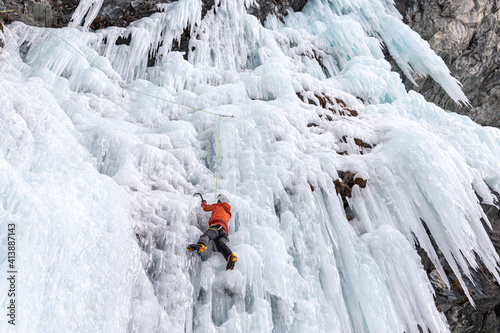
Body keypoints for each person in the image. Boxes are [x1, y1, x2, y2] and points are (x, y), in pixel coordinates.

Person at [187, 194, 237, 270]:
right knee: (221, 245)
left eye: (218, 201)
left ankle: (201, 244)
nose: (217, 202)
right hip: (224, 232)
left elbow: (206, 208)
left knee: (207, 236)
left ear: (220, 201)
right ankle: (230, 256)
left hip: (216, 226)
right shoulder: (228, 213)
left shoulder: (218, 206)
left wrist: (204, 202)